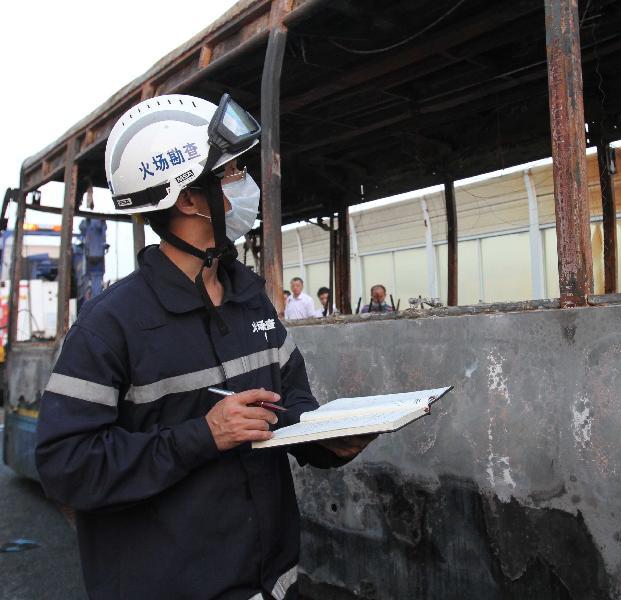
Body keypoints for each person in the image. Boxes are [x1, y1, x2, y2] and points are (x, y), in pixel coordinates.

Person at [35, 93, 375, 600]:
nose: (247, 183)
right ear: (189, 199)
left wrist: (323, 441)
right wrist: (202, 436)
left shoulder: (250, 300)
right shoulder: (109, 326)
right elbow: (68, 467)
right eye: (233, 172)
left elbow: (292, 401)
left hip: (273, 585)